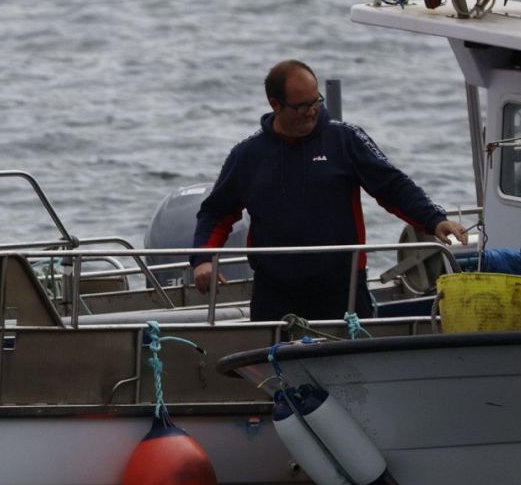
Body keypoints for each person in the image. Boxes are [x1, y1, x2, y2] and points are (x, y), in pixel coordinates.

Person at [190, 59, 468, 321]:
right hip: (274, 293)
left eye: (316, 101)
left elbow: (392, 186)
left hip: (342, 290)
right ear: (275, 104)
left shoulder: (345, 139)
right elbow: (216, 213)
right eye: (301, 106)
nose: (312, 111)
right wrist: (203, 259)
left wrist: (434, 219)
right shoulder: (247, 155)